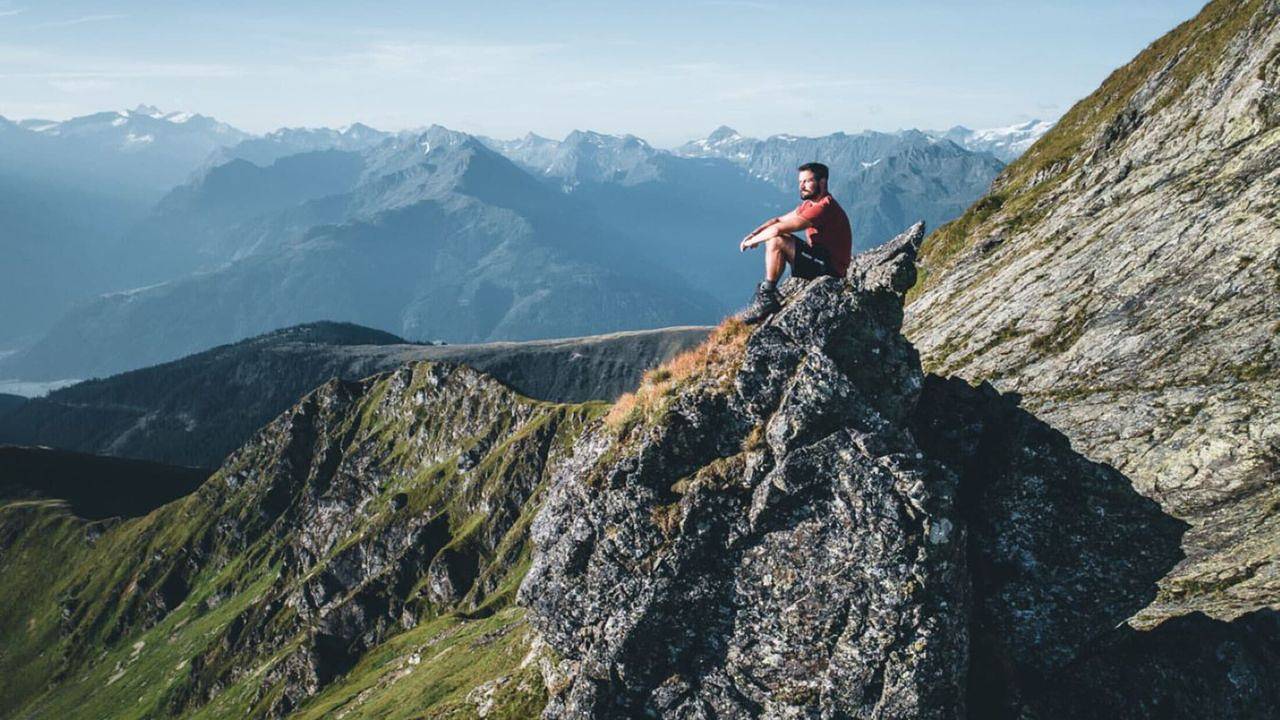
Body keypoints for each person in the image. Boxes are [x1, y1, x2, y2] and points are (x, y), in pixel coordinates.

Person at [737, 162, 852, 323]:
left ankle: (768, 294)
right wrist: (754, 234)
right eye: (800, 182)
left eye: (807, 181)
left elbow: (777, 230)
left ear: (822, 182)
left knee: (777, 240)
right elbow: (777, 220)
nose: (802, 186)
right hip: (819, 258)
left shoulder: (824, 207)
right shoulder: (809, 204)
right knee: (776, 238)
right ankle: (768, 294)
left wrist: (751, 242)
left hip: (831, 269)